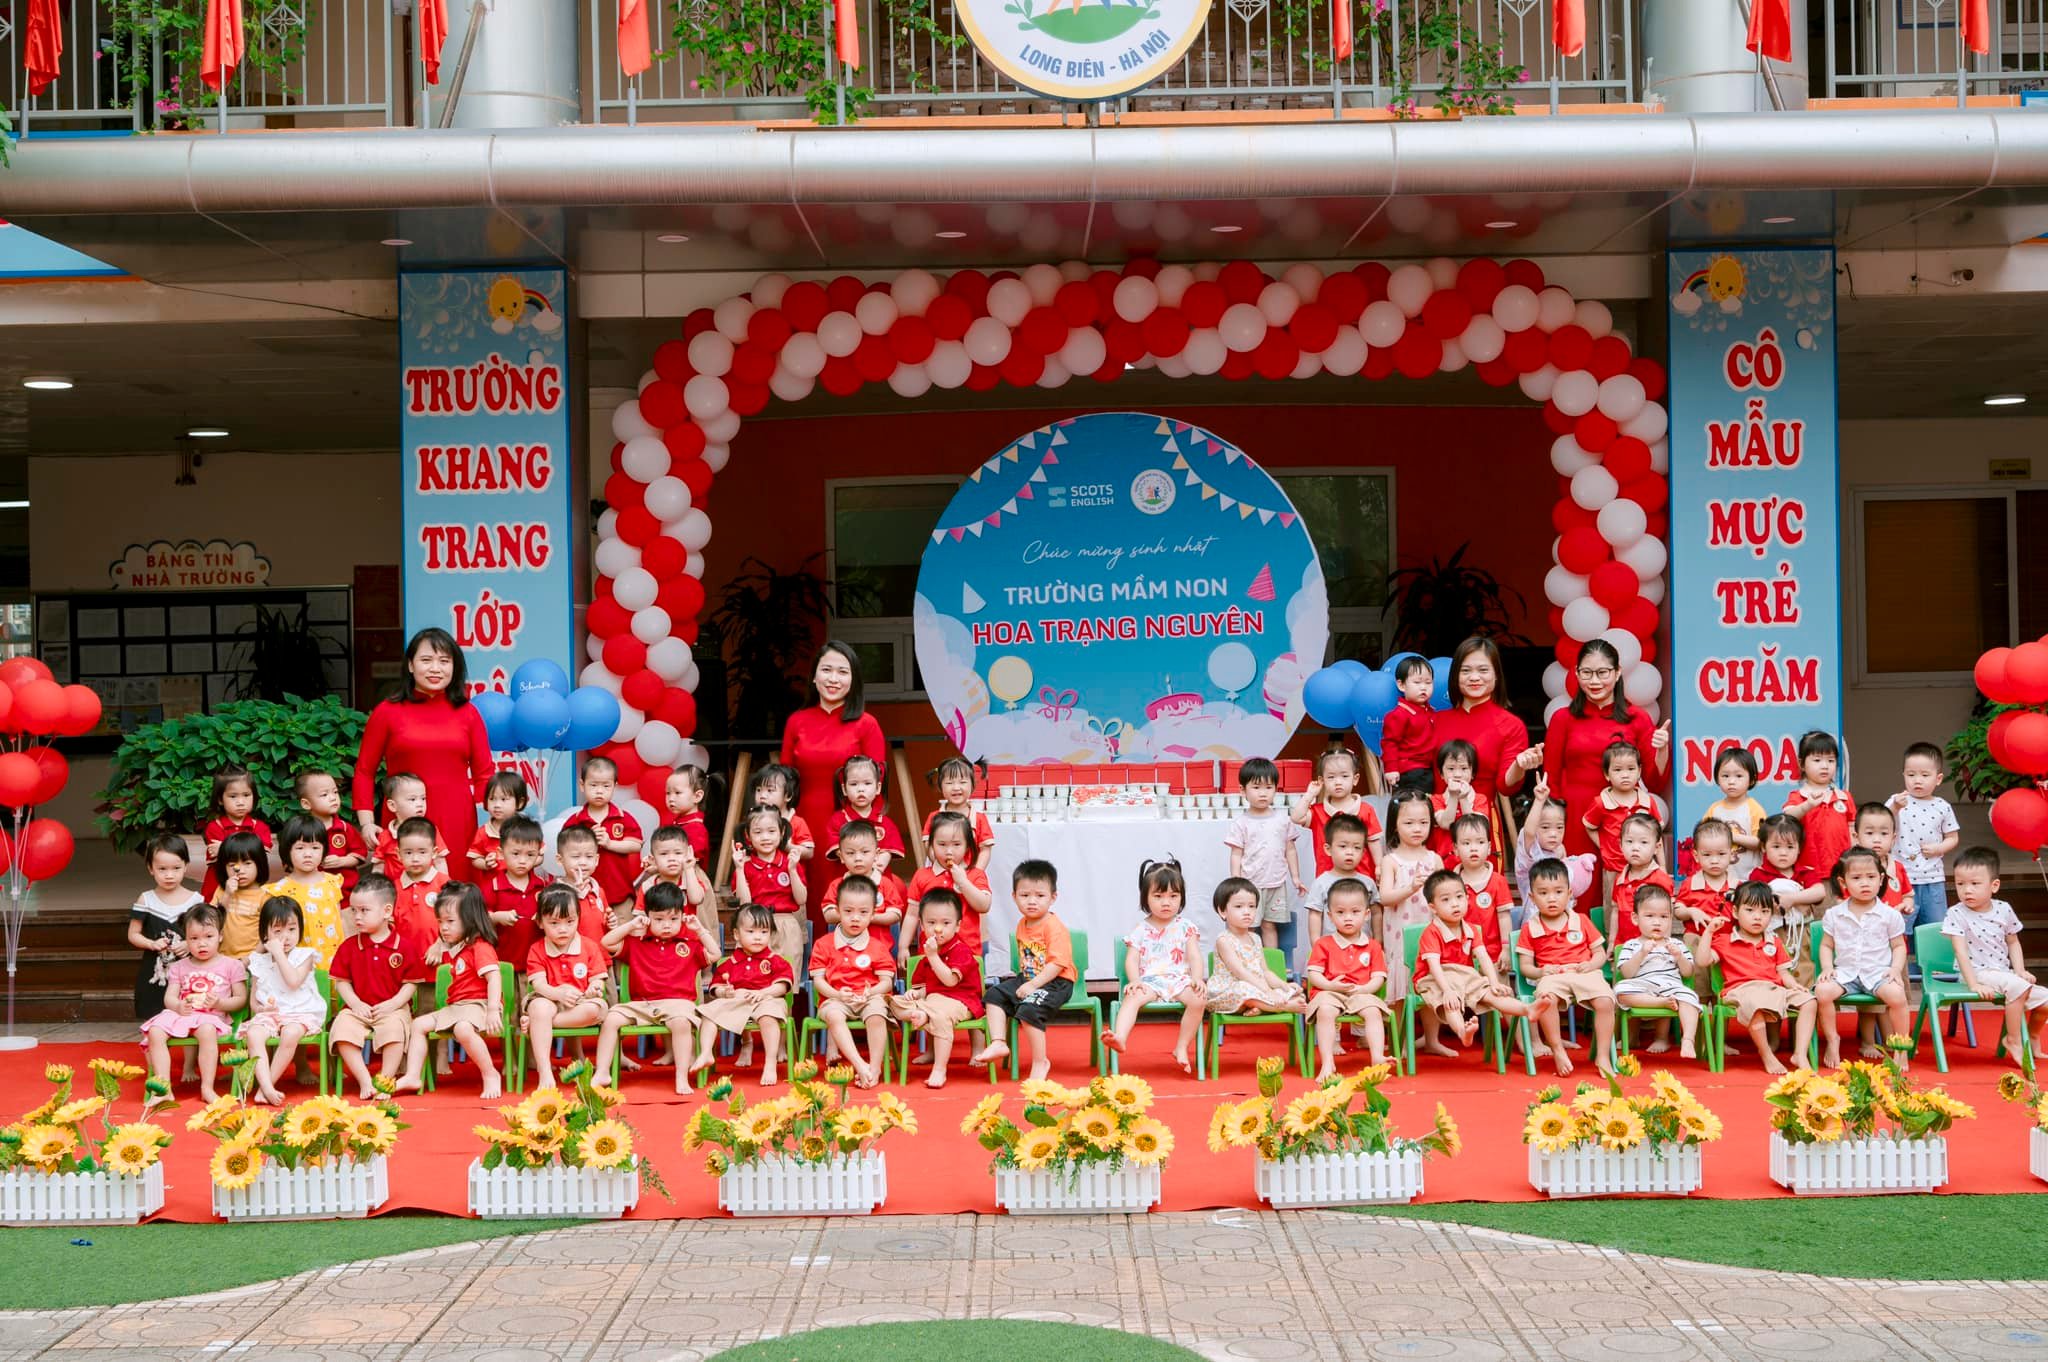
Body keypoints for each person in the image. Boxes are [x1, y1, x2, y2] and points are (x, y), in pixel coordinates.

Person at [1542, 639, 1668, 905]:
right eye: (1587, 673)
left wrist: (1661, 750)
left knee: (1623, 899)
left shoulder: (1637, 718)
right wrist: (1555, 830)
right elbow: (1551, 780)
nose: (1594, 681)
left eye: (1603, 672)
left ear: (1618, 672)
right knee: (1579, 892)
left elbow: (1655, 783)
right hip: (1577, 820)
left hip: (1624, 824)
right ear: (1576, 674)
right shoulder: (1563, 719)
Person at [352, 626, 494, 857]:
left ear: (454, 667)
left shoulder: (469, 713)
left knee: (456, 878)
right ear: (410, 665)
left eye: (444, 661)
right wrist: (366, 822)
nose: (435, 668)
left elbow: (484, 774)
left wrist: (496, 823)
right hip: (403, 820)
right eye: (426, 660)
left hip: (456, 820)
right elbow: (364, 771)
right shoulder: (387, 711)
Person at [781, 639, 887, 908]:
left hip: (850, 827)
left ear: (854, 680)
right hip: (803, 825)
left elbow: (877, 787)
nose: (833, 679)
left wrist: (867, 834)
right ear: (814, 676)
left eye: (842, 672)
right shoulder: (796, 721)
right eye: (826, 670)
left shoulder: (867, 724)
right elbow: (784, 783)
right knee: (804, 895)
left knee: (847, 898)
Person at [596, 880, 720, 1094]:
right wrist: (631, 926)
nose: (666, 925)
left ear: (682, 917)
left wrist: (699, 930)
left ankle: (681, 1077)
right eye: (659, 919)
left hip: (678, 1004)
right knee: (611, 1019)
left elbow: (715, 954)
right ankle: (602, 1071)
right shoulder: (637, 942)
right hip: (642, 1004)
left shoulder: (689, 944)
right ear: (648, 917)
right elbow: (606, 943)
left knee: (681, 1023)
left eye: (673, 919)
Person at [393, 881, 504, 1098]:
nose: (443, 927)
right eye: (440, 921)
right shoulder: (456, 946)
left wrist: (493, 1010)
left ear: (470, 919)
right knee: (418, 1024)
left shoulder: (480, 947)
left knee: (463, 1029)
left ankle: (490, 1073)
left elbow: (494, 977)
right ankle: (413, 1075)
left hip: (480, 1005)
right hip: (457, 1006)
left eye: (450, 921)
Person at [971, 859, 1073, 1081]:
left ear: (1053, 897)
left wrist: (1033, 985)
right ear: (1014, 896)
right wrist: (1027, 982)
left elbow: (1057, 964)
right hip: (1029, 977)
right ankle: (999, 1042)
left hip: (1057, 981)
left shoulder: (1054, 927)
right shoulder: (1022, 924)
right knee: (994, 995)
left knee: (1029, 1009)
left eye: (1040, 895)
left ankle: (1040, 1061)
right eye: (1025, 895)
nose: (1032, 901)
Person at [1698, 882, 1815, 1075]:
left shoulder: (1774, 941)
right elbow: (1702, 961)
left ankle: (1800, 1054)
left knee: (1809, 1001)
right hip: (1741, 991)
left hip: (1772, 989)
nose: (1758, 917)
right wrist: (1709, 932)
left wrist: (1794, 986)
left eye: (1765, 911)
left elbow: (1783, 973)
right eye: (1750, 910)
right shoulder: (1725, 941)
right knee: (1755, 1005)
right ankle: (1767, 1054)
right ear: (1735, 912)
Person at [1943, 845, 2048, 1058]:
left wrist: (2020, 970)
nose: (1967, 890)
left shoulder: (2003, 909)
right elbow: (1960, 951)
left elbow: (2013, 942)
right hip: (1976, 972)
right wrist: (1973, 983)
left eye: (1975, 884)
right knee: (2017, 987)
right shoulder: (1956, 913)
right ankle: (2013, 1039)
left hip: (2002, 973)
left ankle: (2033, 1036)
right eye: (1960, 884)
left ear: (1994, 885)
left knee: (2045, 1000)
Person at [1103, 858, 1206, 1074]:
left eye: (1173, 896)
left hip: (1179, 980)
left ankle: (1181, 1047)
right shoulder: (1141, 929)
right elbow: (1132, 959)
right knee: (1133, 998)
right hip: (1150, 981)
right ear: (1146, 898)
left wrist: (1197, 978)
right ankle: (1120, 1036)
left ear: (1182, 897)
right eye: (1158, 896)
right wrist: (1135, 981)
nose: (1166, 902)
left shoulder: (1186, 927)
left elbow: (1195, 956)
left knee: (1198, 1000)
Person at [1515, 857, 1611, 1078]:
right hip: (1552, 975)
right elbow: (1525, 966)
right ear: (1532, 897)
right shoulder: (1530, 928)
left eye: (1558, 892)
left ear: (1569, 894)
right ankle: (1558, 1050)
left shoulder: (1582, 921)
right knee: (1546, 1000)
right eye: (1543, 893)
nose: (1552, 898)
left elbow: (1600, 954)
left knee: (1606, 1000)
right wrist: (1540, 972)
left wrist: (1591, 964)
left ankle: (1603, 1055)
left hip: (1583, 972)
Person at [1815, 847, 1910, 1069]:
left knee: (1897, 995)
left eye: (1871, 877)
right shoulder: (1834, 914)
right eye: (1856, 878)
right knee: (1822, 992)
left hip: (1877, 974)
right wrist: (1827, 967)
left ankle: (1901, 1048)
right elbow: (1826, 945)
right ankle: (1832, 1039)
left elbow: (1898, 946)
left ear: (1881, 879)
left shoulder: (1890, 915)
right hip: (1846, 974)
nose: (1865, 883)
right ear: (1843, 882)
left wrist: (1895, 969)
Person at [141, 903, 247, 1101]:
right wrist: (178, 1006)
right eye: (194, 938)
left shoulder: (232, 965)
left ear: (220, 936)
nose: (201, 944)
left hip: (210, 1017)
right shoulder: (179, 966)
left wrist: (220, 1004)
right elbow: (169, 997)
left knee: (207, 1031)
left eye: (208, 937)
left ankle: (207, 1087)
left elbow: (241, 999)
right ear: (186, 940)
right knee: (155, 1031)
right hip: (182, 1015)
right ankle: (164, 1089)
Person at [328, 875, 421, 1099]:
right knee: (341, 1030)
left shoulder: (404, 947)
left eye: (364, 910)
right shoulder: (349, 946)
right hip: (358, 1008)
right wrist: (355, 1004)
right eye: (354, 911)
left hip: (392, 1009)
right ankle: (365, 1081)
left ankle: (384, 1081)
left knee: (395, 1031)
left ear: (386, 911)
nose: (357, 917)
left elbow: (410, 984)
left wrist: (393, 1004)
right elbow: (342, 982)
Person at [887, 887, 986, 1089]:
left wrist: (932, 956)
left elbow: (949, 982)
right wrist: (916, 993)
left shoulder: (961, 950)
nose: (938, 929)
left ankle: (939, 1069)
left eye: (945, 923)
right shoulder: (927, 955)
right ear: (922, 925)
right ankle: (923, 1014)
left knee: (939, 1015)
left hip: (961, 1001)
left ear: (957, 926)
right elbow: (928, 987)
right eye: (931, 923)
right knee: (892, 1002)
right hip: (933, 999)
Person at [809, 876, 896, 1088]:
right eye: (848, 911)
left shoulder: (877, 946)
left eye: (863, 912)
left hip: (870, 997)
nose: (855, 918)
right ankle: (860, 1065)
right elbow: (818, 981)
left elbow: (887, 982)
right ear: (838, 911)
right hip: (836, 998)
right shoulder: (823, 944)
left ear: (873, 914)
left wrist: (871, 992)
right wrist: (836, 994)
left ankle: (874, 1068)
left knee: (877, 1014)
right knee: (833, 1015)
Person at [695, 905, 795, 1085]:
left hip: (766, 1000)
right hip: (738, 1002)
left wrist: (764, 992)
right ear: (736, 934)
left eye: (764, 932)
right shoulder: (729, 963)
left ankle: (770, 1063)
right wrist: (725, 992)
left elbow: (782, 986)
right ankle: (706, 1052)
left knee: (768, 1016)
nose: (758, 937)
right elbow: (716, 988)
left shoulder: (775, 960)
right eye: (751, 931)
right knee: (708, 1013)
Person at [1432, 636, 1539, 804]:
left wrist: (1519, 765)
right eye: (1465, 671)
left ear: (1496, 675)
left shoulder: (1511, 725)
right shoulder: (1435, 721)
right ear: (1455, 676)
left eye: (1483, 670)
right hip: (1437, 815)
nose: (1474, 677)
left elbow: (1506, 787)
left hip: (1481, 816)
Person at [522, 884, 609, 1090]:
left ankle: (538, 1024)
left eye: (570, 922)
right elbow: (539, 984)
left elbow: (597, 980)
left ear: (578, 918)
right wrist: (557, 994)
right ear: (540, 922)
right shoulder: (537, 949)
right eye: (554, 923)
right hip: (548, 999)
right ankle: (545, 1072)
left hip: (580, 1003)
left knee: (595, 1008)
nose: (563, 929)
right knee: (540, 1008)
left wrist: (594, 988)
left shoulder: (589, 946)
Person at [241, 897, 327, 1105]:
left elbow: (293, 982)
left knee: (290, 1033)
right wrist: (262, 1008)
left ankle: (265, 1087)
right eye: (277, 931)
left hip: (300, 1013)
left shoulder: (305, 956)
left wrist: (279, 955)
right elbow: (253, 1002)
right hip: (271, 1015)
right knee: (253, 1034)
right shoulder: (258, 961)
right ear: (265, 935)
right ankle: (267, 1087)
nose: (285, 937)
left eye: (291, 929)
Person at [1303, 878, 1392, 1076]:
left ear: (1366, 914)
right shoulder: (1323, 944)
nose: (1348, 918)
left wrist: (1365, 989)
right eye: (1340, 912)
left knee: (1373, 1010)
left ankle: (1377, 1056)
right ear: (1330, 916)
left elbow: (1378, 977)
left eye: (1355, 912)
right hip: (1329, 992)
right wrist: (1329, 985)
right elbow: (1314, 974)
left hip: (1361, 992)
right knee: (1325, 1010)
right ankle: (1328, 1062)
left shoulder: (1373, 946)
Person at [1226, 757, 1306, 961]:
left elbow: (1290, 850)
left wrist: (1296, 877)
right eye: (1256, 787)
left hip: (1276, 884)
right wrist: (1236, 881)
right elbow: (1236, 854)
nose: (1263, 793)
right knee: (1248, 926)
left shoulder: (1283, 820)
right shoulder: (1241, 823)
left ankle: (1271, 965)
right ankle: (1249, 963)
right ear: (1243, 790)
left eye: (1269, 787)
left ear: (1276, 789)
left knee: (1269, 925)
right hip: (1250, 885)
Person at [1612, 888, 1701, 1059]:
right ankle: (1660, 1004)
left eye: (1663, 917)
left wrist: (1679, 957)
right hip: (1642, 986)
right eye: (1650, 916)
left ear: (1670, 919)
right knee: (1620, 991)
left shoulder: (1677, 945)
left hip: (1671, 986)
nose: (1657, 922)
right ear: (1635, 918)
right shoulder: (1632, 945)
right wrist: (1641, 954)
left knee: (1689, 997)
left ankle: (1687, 1039)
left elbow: (1688, 973)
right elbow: (1627, 973)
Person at [1888, 742, 1962, 944]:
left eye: (1924, 775)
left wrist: (1939, 848)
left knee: (1935, 927)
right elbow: (1882, 823)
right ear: (1903, 775)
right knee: (1901, 927)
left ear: (1938, 779)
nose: (1917, 780)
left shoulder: (1942, 806)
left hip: (1932, 878)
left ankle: (1932, 961)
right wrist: (1894, 807)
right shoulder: (1897, 801)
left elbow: (1953, 837)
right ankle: (1904, 961)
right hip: (1902, 878)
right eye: (1911, 774)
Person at [1206, 877, 1308, 1019]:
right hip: (1229, 992)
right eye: (1239, 906)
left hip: (1256, 987)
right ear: (1223, 911)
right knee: (1244, 989)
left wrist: (1284, 985)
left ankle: (1261, 1007)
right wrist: (1268, 991)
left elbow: (1265, 972)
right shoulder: (1224, 940)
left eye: (1252, 906)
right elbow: (1240, 973)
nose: (1247, 912)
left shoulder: (1255, 938)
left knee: (1296, 994)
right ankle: (1282, 1007)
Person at [1583, 741, 1669, 908]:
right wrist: (1604, 846)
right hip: (1614, 868)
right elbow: (1589, 826)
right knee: (1614, 908)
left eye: (1631, 769)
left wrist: (1663, 866)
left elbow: (1657, 835)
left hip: (1645, 868)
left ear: (1639, 771)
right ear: (1607, 774)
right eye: (1617, 770)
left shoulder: (1647, 801)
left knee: (1644, 907)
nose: (1625, 775)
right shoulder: (1601, 803)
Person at [1375, 790, 1444, 996]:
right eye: (1409, 823)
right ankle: (1400, 1019)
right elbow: (1385, 898)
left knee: (1430, 985)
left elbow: (1445, 895)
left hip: (1430, 929)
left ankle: (1430, 1020)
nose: (1417, 829)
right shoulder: (1391, 861)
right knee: (1401, 983)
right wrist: (1410, 888)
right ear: (1395, 825)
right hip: (1399, 932)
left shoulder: (1435, 859)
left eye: (1423, 822)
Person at [130, 834, 203, 1023]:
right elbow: (133, 934)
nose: (169, 875)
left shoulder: (196, 900)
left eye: (176, 868)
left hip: (189, 971)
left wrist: (188, 944)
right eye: (162, 869)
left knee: (191, 1015)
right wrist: (151, 943)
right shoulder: (146, 900)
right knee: (153, 1017)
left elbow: (206, 935)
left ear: (186, 866)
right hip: (156, 971)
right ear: (150, 868)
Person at [260, 816, 347, 966]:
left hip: (333, 959)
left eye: (315, 847)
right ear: (287, 851)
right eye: (300, 848)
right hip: (297, 965)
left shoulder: (332, 882)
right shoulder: (278, 891)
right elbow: (268, 932)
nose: (308, 854)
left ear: (324, 849)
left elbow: (340, 920)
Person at [564, 755, 644, 915]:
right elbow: (565, 852)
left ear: (615, 786)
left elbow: (636, 845)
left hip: (620, 894)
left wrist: (610, 844)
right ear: (582, 785)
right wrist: (588, 840)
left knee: (623, 927)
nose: (599, 791)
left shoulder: (623, 818)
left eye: (606, 786)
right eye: (593, 785)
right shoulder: (575, 821)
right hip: (584, 895)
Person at [906, 812, 991, 962]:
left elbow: (984, 905)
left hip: (968, 953)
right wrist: (903, 946)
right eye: (942, 844)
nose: (949, 851)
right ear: (931, 845)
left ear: (967, 846)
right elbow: (912, 914)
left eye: (956, 844)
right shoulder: (922, 875)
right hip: (930, 954)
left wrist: (963, 882)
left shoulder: (975, 875)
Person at [1290, 747, 1381, 882]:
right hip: (1328, 880)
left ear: (1355, 779)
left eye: (1344, 776)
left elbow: (1374, 841)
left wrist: (1379, 865)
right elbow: (1296, 817)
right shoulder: (1317, 812)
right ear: (1322, 780)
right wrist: (1309, 795)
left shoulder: (1366, 810)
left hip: (1361, 878)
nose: (1338, 782)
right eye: (1331, 777)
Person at [1513, 776, 1595, 920]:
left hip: (1562, 921)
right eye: (1545, 827)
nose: (1553, 834)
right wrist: (1539, 801)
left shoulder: (1559, 850)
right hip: (1535, 923)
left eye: (1559, 827)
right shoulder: (1529, 851)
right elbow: (1529, 832)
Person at [733, 806, 807, 965]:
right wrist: (739, 869)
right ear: (748, 835)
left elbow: (801, 899)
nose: (765, 837)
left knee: (788, 972)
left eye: (771, 831)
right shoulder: (745, 866)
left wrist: (792, 870)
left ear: (781, 832)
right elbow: (744, 904)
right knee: (755, 973)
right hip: (755, 923)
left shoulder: (790, 862)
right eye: (758, 832)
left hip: (786, 924)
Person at [1782, 730, 1853, 892]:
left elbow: (1853, 832)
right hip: (1809, 873)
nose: (1825, 766)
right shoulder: (1798, 796)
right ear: (1801, 764)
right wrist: (1808, 805)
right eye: (1817, 760)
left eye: (1831, 760)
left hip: (1842, 872)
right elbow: (1788, 817)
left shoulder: (1844, 797)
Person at [483, 815, 553, 974]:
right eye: (515, 853)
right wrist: (496, 917)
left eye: (530, 855)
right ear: (501, 853)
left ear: (538, 854)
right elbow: (477, 921)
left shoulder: (543, 886)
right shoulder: (493, 887)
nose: (522, 861)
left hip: (538, 967)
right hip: (503, 966)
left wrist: (544, 918)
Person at [824, 754, 905, 877]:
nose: (861, 789)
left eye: (867, 783)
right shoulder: (837, 821)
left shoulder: (886, 823)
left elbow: (888, 851)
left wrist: (876, 871)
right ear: (844, 789)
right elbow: (838, 850)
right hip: (848, 879)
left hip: (878, 879)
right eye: (854, 784)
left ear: (878, 787)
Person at [823, 820, 908, 938]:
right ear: (841, 857)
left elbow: (895, 915)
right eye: (850, 853)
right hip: (845, 947)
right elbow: (828, 915)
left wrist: (867, 917)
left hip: (879, 947)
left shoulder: (885, 884)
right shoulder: (837, 885)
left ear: (876, 854)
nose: (858, 858)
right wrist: (854, 916)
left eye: (865, 852)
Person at [200, 765, 273, 899]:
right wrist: (249, 850)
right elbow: (219, 857)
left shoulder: (260, 827)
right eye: (233, 796)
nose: (240, 802)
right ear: (220, 800)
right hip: (219, 885)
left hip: (250, 886)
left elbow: (260, 857)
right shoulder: (215, 827)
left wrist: (223, 848)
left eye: (246, 795)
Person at [1304, 812, 1378, 944]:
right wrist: (1316, 945)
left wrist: (1378, 940)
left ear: (1363, 852)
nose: (1350, 852)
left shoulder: (1368, 883)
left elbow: (1376, 913)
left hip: (1363, 947)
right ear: (1328, 849)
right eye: (1343, 846)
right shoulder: (1321, 883)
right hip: (1331, 949)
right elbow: (1315, 915)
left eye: (1356, 847)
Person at [297, 770, 368, 896]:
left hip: (345, 892)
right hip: (312, 893)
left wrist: (342, 861)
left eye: (335, 792)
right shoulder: (301, 831)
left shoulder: (344, 828)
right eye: (324, 794)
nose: (333, 798)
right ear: (306, 804)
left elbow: (359, 855)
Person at [1609, 811, 1674, 948]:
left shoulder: (1660, 879)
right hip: (1623, 946)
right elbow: (1615, 911)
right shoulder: (1620, 879)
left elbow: (1667, 915)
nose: (1635, 848)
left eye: (1643, 842)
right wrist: (1611, 943)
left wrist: (1664, 946)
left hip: (1652, 947)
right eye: (1629, 841)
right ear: (1620, 845)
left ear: (1656, 847)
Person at [371, 773, 450, 882]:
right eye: (412, 799)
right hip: (396, 889)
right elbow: (379, 867)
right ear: (392, 806)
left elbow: (440, 861)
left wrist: (445, 886)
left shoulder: (431, 830)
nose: (420, 804)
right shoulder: (385, 836)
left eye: (423, 798)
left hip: (427, 887)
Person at [390, 817, 449, 961]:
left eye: (422, 852)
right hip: (404, 962)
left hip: (439, 958)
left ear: (434, 852)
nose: (415, 858)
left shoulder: (444, 884)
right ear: (398, 854)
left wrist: (440, 945)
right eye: (408, 853)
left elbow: (455, 921)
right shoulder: (393, 888)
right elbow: (389, 926)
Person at [1702, 748, 1767, 880]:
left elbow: (1761, 842)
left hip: (1749, 878)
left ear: (1752, 779)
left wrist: (1731, 836)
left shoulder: (1754, 809)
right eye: (1725, 776)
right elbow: (1703, 838)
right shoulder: (1714, 809)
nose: (1731, 781)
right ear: (1717, 778)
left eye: (1738, 776)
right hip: (1720, 878)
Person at [1379, 657, 1440, 794]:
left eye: (1428, 682)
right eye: (1417, 682)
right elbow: (1390, 743)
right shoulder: (1398, 714)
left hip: (1430, 769)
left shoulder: (1431, 711)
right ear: (1401, 685)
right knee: (1412, 804)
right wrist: (1391, 768)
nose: (1423, 687)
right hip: (1410, 771)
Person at [1675, 818, 1738, 942]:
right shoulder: (1690, 884)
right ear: (1696, 856)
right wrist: (1690, 912)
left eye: (1721, 854)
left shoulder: (1737, 886)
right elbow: (1678, 910)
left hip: (1727, 939)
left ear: (1731, 854)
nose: (1714, 860)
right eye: (1707, 855)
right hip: (1697, 937)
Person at [925, 757, 994, 870]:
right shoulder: (934, 817)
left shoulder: (979, 818)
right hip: (942, 873)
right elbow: (929, 846)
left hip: (971, 874)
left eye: (962, 782)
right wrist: (944, 868)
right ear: (940, 786)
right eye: (949, 783)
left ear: (973, 785)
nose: (956, 788)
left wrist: (975, 873)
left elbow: (985, 850)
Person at [209, 831, 270, 960]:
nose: (240, 870)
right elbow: (211, 920)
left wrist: (249, 960)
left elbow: (268, 935)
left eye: (247, 863)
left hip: (251, 960)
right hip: (221, 958)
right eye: (232, 865)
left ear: (259, 863)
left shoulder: (264, 896)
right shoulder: (222, 890)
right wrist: (227, 894)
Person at [1428, 740, 1492, 862]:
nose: (1457, 774)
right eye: (1451, 769)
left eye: (1464, 768)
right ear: (1441, 774)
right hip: (1444, 861)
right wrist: (1453, 797)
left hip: (1472, 860)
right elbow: (1446, 824)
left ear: (1472, 773)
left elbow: (1474, 828)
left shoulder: (1480, 799)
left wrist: (1463, 799)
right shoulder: (1436, 799)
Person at [467, 771, 529, 877]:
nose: (497, 805)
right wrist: (486, 864)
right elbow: (475, 859)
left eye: (503, 799)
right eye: (492, 799)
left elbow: (539, 856)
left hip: (522, 883)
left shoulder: (527, 828)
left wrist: (527, 863)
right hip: (493, 884)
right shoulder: (483, 832)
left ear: (520, 803)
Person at [557, 824, 612, 941]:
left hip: (600, 951)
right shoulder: (555, 893)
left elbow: (603, 922)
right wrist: (576, 893)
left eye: (589, 856)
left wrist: (611, 923)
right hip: (573, 952)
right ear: (560, 860)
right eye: (576, 856)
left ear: (596, 860)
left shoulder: (598, 891)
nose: (583, 862)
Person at [659, 764, 713, 864]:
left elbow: (690, 862)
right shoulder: (679, 823)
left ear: (697, 796)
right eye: (668, 793)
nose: (671, 799)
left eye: (677, 793)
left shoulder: (696, 829)